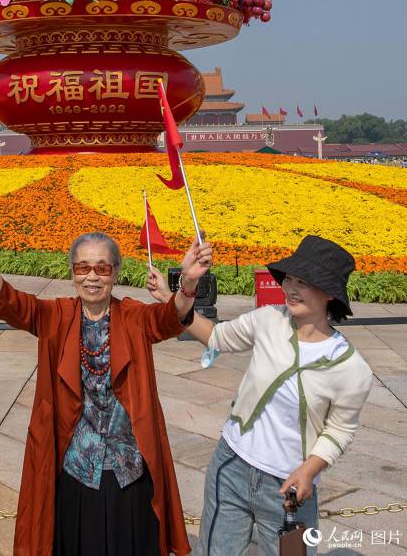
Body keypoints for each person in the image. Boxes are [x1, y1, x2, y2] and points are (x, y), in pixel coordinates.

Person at [0, 217, 213, 556]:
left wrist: (188, 281)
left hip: (128, 470)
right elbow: (10, 301)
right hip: (76, 469)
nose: (91, 277)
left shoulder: (133, 316)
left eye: (101, 269)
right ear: (72, 272)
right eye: (82, 267)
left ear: (116, 273)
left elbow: (170, 318)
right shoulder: (55, 315)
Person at [148, 235, 373, 556]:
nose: (291, 288)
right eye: (289, 279)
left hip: (288, 489)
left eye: (304, 282)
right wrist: (177, 295)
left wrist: (309, 470)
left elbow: (340, 429)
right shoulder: (269, 319)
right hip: (231, 466)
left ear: (328, 293)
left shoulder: (352, 368)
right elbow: (216, 337)